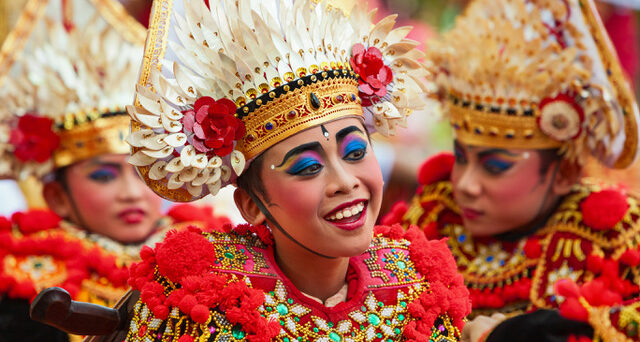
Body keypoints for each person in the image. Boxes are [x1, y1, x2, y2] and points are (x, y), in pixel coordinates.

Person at [74, 0, 475, 341]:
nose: (346, 182)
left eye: (355, 152)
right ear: (250, 205)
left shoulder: (417, 283)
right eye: (307, 167)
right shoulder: (200, 303)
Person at [382, 0, 640, 322]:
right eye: (461, 158)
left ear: (566, 172)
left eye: (496, 166)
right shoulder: (434, 216)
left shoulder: (613, 240)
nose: (464, 184)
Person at [0, 1, 228, 341]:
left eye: (144, 172)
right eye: (103, 176)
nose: (132, 193)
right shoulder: (19, 282)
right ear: (57, 197)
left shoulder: (219, 252)